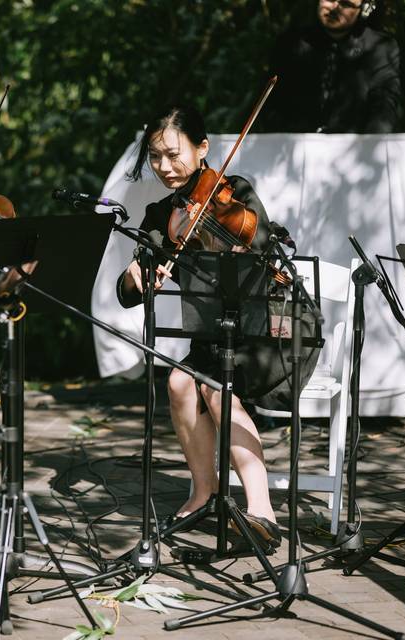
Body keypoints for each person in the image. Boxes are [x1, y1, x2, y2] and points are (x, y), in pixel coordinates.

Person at [118, 105, 283, 550]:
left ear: (202, 148)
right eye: (155, 157)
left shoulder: (236, 192)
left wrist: (215, 231)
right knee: (177, 382)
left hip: (264, 334)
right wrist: (137, 275)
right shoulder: (160, 214)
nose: (165, 167)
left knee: (210, 385)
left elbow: (263, 244)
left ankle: (262, 510)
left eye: (174, 154)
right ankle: (203, 491)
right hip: (214, 337)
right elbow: (127, 289)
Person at [264, 0, 401, 133]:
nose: (335, 8)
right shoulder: (289, 43)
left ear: (364, 10)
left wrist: (367, 146)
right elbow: (273, 105)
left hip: (354, 148)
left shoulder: (382, 47)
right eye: (329, 0)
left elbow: (384, 105)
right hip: (296, 147)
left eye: (346, 3)